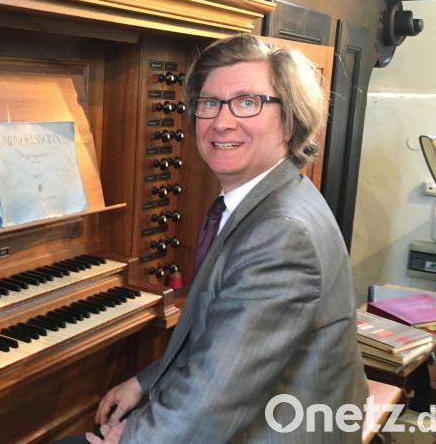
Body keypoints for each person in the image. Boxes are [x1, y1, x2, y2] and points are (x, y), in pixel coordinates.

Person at [86, 34, 368, 443]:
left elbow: (213, 400)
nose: (222, 121)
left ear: (290, 120)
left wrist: (129, 440)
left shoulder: (281, 232)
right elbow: (223, 340)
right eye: (209, 103)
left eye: (248, 102)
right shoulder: (268, 197)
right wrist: (147, 381)